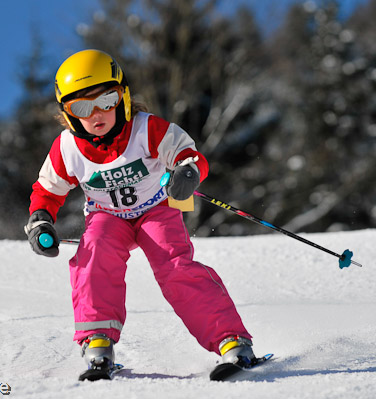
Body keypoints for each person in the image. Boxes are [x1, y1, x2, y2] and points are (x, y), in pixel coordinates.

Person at [24, 49, 254, 378]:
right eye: (83, 108)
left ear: (124, 98)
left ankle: (231, 341)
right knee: (94, 254)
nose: (97, 113)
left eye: (106, 100)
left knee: (174, 265)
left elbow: (188, 155)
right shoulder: (67, 149)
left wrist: (186, 173)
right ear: (69, 114)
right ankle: (98, 343)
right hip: (107, 217)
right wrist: (40, 220)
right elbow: (47, 191)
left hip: (157, 209)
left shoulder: (147, 129)